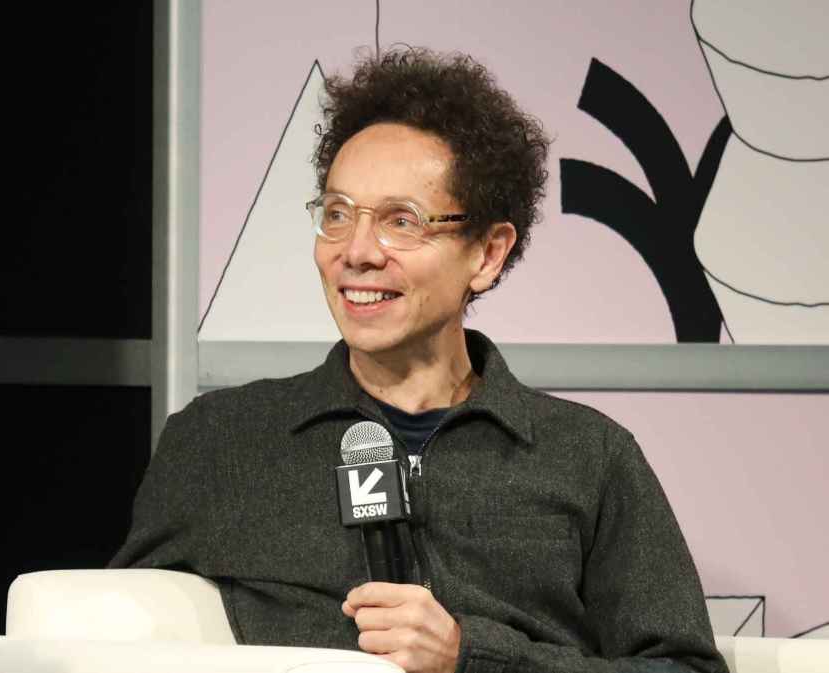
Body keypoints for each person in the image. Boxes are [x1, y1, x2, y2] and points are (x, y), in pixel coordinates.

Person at [111, 48, 727, 673]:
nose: (356, 251)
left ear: (487, 253)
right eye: (336, 215)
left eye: (400, 221)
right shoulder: (220, 440)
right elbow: (116, 641)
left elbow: (686, 669)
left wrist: (474, 657)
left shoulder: (588, 456)